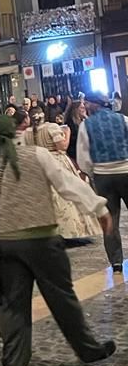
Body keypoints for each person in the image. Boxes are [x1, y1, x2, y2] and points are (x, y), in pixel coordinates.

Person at [0, 115, 116, 366]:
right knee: (62, 298)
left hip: (2, 243)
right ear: (16, 132)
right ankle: (88, 350)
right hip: (43, 241)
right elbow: (68, 185)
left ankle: (14, 362)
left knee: (13, 303)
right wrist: (98, 208)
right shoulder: (37, 155)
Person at [26, 111, 101, 241]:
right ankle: (70, 231)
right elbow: (62, 146)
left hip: (38, 163)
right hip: (56, 161)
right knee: (66, 195)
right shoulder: (51, 127)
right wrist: (67, 133)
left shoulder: (27, 132)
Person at [77, 95, 128, 271]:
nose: (84, 106)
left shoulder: (86, 125)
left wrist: (92, 173)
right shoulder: (123, 119)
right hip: (126, 169)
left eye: (86, 103)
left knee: (110, 218)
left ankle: (116, 262)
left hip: (103, 175)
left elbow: (83, 155)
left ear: (93, 104)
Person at [63, 99, 86, 165]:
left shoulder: (83, 120)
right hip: (75, 151)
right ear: (76, 109)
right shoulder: (70, 122)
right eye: (81, 107)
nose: (84, 109)